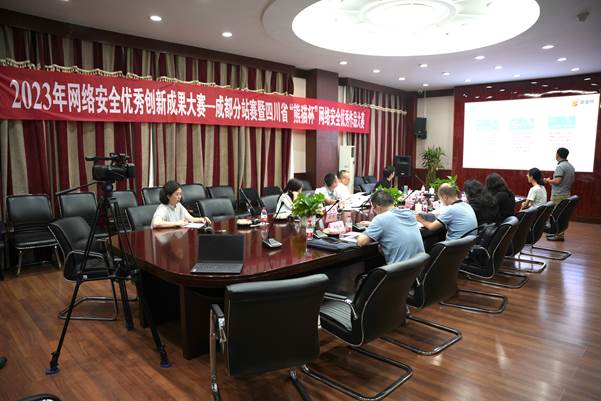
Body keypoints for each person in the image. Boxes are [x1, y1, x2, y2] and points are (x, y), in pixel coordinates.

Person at [357, 190, 424, 264]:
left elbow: (361, 242)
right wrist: (373, 224)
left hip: (400, 269)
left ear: (378, 207)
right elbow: (395, 224)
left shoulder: (380, 219)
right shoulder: (409, 213)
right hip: (419, 267)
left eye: (373, 209)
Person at [543, 147, 575, 241]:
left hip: (558, 195)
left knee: (556, 216)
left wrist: (548, 180)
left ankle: (558, 235)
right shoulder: (571, 166)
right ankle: (558, 234)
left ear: (557, 155)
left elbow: (557, 181)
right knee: (562, 215)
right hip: (566, 193)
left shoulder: (560, 166)